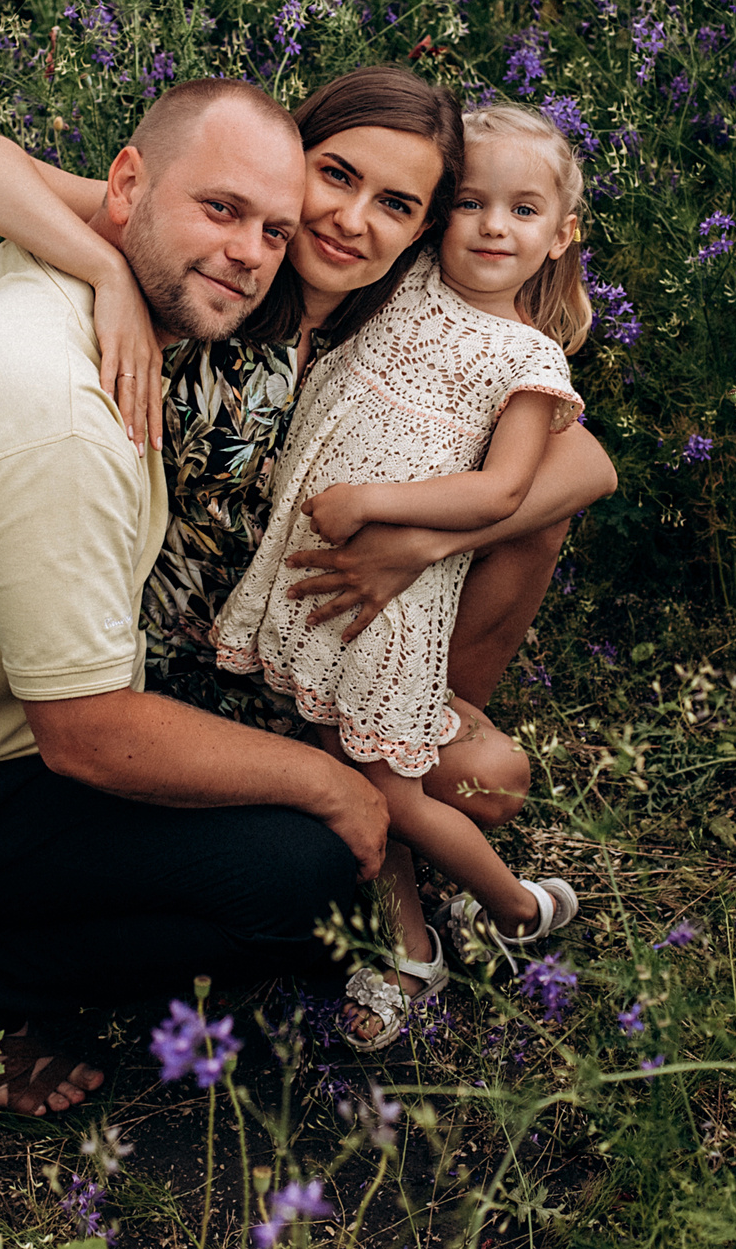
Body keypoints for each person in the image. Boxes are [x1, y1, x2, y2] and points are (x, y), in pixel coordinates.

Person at [0, 79, 392, 1119]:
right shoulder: (61, 418)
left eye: (273, 228)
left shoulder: (63, 257)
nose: (249, 252)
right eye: (219, 210)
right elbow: (85, 735)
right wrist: (332, 785)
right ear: (127, 185)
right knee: (306, 880)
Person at [0, 68, 617, 850]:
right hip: (179, 658)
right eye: (334, 176)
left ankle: (411, 730)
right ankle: (370, 798)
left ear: (420, 229)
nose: (350, 219)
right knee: (431, 805)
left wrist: (418, 544)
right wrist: (106, 269)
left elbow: (587, 466)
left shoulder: (388, 301)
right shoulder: (212, 263)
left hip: (314, 623)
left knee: (497, 777)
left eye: (395, 204)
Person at [215, 104, 592, 1047]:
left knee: (391, 790)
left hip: (386, 608)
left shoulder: (527, 358)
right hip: (315, 583)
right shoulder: (409, 276)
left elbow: (508, 487)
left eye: (524, 210)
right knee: (345, 758)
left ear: (560, 234)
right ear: (436, 219)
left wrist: (384, 508)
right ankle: (411, 941)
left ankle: (515, 907)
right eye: (470, 202)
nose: (494, 226)